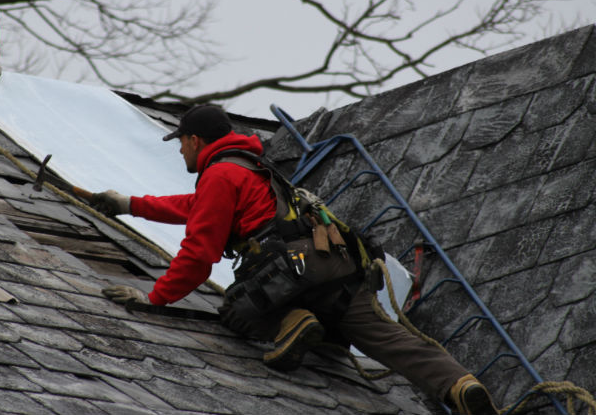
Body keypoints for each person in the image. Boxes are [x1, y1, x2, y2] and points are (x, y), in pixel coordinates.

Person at [94, 104, 499, 415]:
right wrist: (130, 204)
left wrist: (155, 298)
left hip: (287, 276)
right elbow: (196, 206)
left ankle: (293, 322)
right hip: (334, 266)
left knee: (236, 311)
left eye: (180, 141)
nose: (179, 149)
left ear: (195, 140)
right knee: (388, 339)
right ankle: (460, 386)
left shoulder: (218, 175)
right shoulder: (250, 168)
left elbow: (200, 253)